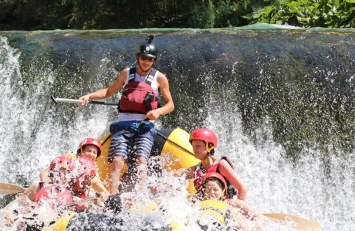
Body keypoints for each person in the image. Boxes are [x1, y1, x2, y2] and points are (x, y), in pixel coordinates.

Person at [79, 34, 175, 195]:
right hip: (123, 124)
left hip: (144, 126)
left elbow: (170, 104)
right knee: (117, 161)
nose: (146, 62)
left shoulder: (160, 78)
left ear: (155, 61)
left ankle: (141, 196)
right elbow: (108, 91)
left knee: (141, 160)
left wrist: (158, 111)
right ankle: (112, 196)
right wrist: (89, 96)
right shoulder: (127, 74)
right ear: (138, 58)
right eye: (143, 58)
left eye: (150, 59)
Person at [194, 172, 262, 231]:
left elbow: (245, 228)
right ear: (204, 192)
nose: (211, 193)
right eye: (208, 190)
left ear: (222, 191)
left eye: (215, 190)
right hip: (198, 225)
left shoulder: (228, 206)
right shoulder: (197, 202)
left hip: (217, 230)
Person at [185, 127, 248, 200]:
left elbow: (242, 189)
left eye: (198, 146)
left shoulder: (221, 165)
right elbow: (177, 181)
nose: (194, 150)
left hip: (225, 205)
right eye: (193, 146)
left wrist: (238, 209)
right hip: (205, 206)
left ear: (209, 146)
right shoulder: (195, 170)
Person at [40, 137, 109, 198]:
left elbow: (96, 183)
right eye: (89, 151)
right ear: (81, 151)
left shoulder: (92, 168)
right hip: (60, 192)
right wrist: (46, 188)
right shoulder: (70, 157)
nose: (91, 154)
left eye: (94, 153)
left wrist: (108, 196)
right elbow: (45, 172)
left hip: (75, 196)